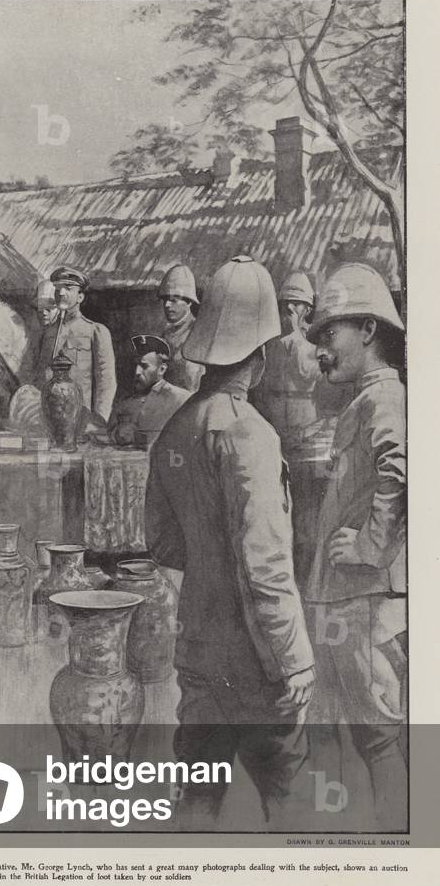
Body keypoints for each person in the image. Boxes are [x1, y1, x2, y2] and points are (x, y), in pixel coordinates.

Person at [145, 255, 315, 826]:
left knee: (197, 799)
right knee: (288, 806)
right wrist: (293, 660)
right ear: (261, 354)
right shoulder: (253, 435)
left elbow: (164, 546)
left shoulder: (175, 429)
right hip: (259, 668)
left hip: (199, 658)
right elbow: (264, 564)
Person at [303, 262, 407, 830]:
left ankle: (398, 853)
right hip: (344, 600)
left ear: (368, 330)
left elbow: (402, 472)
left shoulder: (385, 400)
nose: (320, 349)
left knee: (377, 736)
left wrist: (370, 546)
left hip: (364, 598)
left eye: (330, 334)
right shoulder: (364, 401)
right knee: (345, 729)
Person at [34, 266, 117, 423]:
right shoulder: (48, 333)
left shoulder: (95, 331)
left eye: (68, 288)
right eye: (58, 288)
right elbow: (40, 375)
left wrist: (99, 418)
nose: (61, 293)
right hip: (48, 417)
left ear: (80, 297)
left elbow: (106, 380)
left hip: (81, 418)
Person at [253, 271, 320, 448]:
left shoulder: (315, 339)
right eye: (285, 303)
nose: (289, 308)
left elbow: (308, 373)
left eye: (296, 303)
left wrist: (295, 334)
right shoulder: (268, 340)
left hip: (307, 434)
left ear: (308, 309)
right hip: (271, 433)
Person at [109, 335, 190, 447]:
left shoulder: (181, 400)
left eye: (144, 366)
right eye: (135, 365)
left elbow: (183, 440)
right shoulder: (124, 402)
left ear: (161, 369)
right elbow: (109, 432)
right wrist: (116, 435)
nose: (137, 371)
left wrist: (137, 438)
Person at [157, 264, 203, 393]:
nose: (167, 305)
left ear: (188, 302)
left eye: (173, 300)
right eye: (165, 299)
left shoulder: (199, 333)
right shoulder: (165, 335)